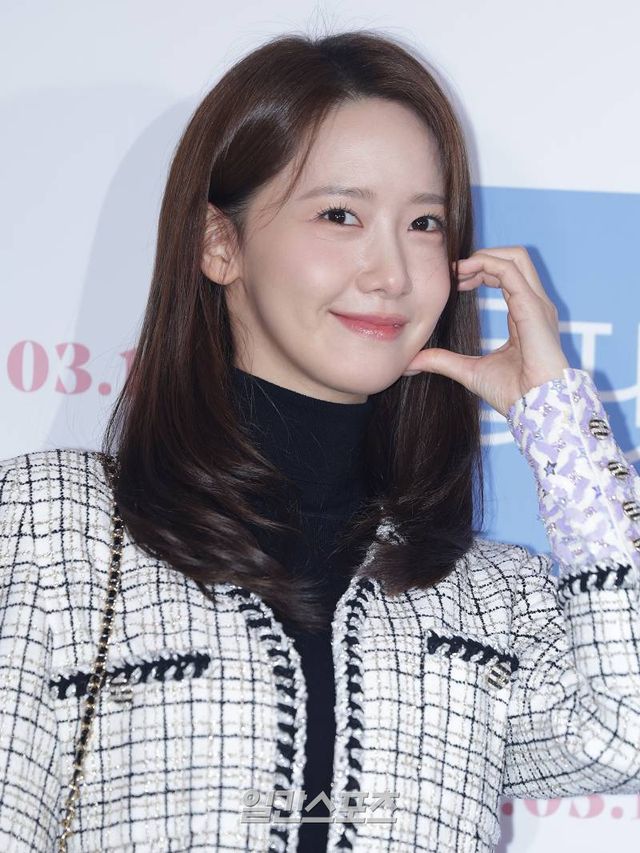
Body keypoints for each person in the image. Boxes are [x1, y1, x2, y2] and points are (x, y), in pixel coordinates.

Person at [1, 27, 639, 853]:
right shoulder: (56, 526)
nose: (392, 273)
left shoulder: (484, 595)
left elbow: (625, 728)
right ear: (220, 244)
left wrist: (557, 418)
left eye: (424, 223)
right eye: (341, 215)